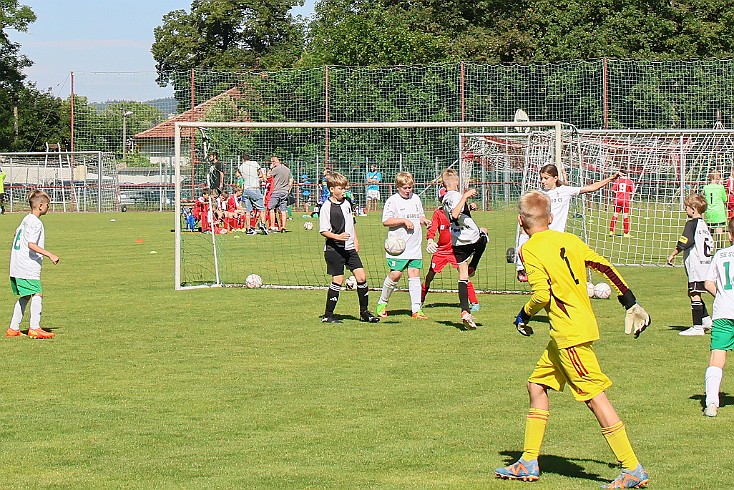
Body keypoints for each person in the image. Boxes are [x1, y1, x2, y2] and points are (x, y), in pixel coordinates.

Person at [495, 190, 650, 488]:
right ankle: (528, 461)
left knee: (595, 398)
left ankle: (632, 467)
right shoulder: (569, 239)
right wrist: (629, 300)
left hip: (569, 334)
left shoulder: (529, 249)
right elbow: (604, 266)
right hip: (570, 331)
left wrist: (523, 315)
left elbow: (541, 294)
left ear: (520, 221)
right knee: (536, 384)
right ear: (551, 218)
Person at [515, 164, 620, 282]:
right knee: (523, 234)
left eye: (546, 178)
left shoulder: (565, 191)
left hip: (556, 239)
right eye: (542, 178)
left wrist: (611, 178)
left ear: (555, 178)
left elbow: (591, 188)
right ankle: (521, 268)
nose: (542, 181)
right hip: (540, 236)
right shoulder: (539, 194)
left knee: (557, 274)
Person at [318, 172, 380, 324]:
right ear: (332, 189)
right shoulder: (326, 207)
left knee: (362, 277)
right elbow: (323, 231)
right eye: (340, 188)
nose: (344, 190)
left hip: (350, 248)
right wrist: (338, 237)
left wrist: (356, 240)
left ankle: (364, 312)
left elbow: (352, 224)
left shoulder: (347, 202)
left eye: (344, 187)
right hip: (335, 249)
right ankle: (328, 315)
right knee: (338, 279)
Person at [375, 171, 431, 320]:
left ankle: (416, 310)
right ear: (398, 187)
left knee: (415, 275)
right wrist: (403, 221)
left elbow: (419, 215)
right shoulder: (392, 201)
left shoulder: (416, 199)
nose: (408, 190)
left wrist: (424, 220)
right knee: (396, 274)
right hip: (398, 247)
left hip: (415, 246)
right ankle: (382, 302)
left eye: (410, 187)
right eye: (405, 188)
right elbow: (386, 221)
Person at [6, 190, 60, 339]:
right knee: (37, 293)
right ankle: (35, 328)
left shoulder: (26, 219)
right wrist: (50, 254)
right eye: (48, 205)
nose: (48, 207)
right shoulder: (36, 223)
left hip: (17, 264)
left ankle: (13, 328)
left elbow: (16, 234)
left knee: (25, 296)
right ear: (40, 206)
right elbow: (31, 244)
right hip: (26, 265)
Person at [439, 169, 488, 329]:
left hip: (456, 241)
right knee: (484, 234)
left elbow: (457, 212)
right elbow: (454, 214)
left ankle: (465, 312)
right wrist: (465, 196)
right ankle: (474, 264)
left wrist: (468, 207)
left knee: (463, 276)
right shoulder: (457, 196)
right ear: (456, 182)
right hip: (469, 236)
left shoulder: (445, 198)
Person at [422, 189, 481, 313]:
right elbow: (432, 229)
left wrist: (472, 206)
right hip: (441, 250)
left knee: (464, 275)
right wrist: (430, 240)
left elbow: (465, 209)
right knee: (429, 276)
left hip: (456, 248)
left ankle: (474, 302)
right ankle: (420, 302)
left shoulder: (457, 210)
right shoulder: (438, 213)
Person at [667, 193, 714, 336]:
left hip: (696, 265)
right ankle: (706, 320)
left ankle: (697, 327)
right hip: (706, 263)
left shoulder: (691, 224)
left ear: (693, 208)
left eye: (686, 207)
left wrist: (673, 254)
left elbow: (684, 242)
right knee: (696, 291)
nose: (685, 209)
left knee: (694, 293)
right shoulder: (703, 225)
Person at [701, 217, 734, 417]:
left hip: (723, 312)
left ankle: (712, 403)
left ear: (730, 235)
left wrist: (721, 296)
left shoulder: (721, 255)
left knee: (717, 355)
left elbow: (708, 283)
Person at [238, 153, 268, 235]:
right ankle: (263, 224)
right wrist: (260, 178)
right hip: (254, 189)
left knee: (248, 211)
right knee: (262, 208)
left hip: (246, 190)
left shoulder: (241, 167)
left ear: (242, 159)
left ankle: (248, 229)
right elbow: (260, 173)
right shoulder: (254, 163)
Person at [267, 156, 293, 233]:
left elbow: (268, 176)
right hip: (285, 191)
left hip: (276, 191)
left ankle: (272, 226)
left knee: (271, 208)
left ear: (274, 162)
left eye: (271, 162)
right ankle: (283, 227)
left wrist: (271, 168)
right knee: (283, 210)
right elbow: (291, 180)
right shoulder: (287, 169)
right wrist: (288, 189)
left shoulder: (276, 169)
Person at [703, 171, 727, 248]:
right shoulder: (720, 187)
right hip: (719, 212)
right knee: (719, 231)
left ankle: (707, 249)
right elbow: (725, 199)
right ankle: (719, 249)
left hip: (710, 212)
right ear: (717, 177)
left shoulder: (706, 187)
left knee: (710, 231)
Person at [609, 169, 636, 236]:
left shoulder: (617, 181)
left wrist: (617, 193)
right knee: (625, 216)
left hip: (617, 200)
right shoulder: (630, 182)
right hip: (625, 201)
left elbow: (613, 190)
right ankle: (626, 233)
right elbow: (632, 191)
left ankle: (611, 231)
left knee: (615, 215)